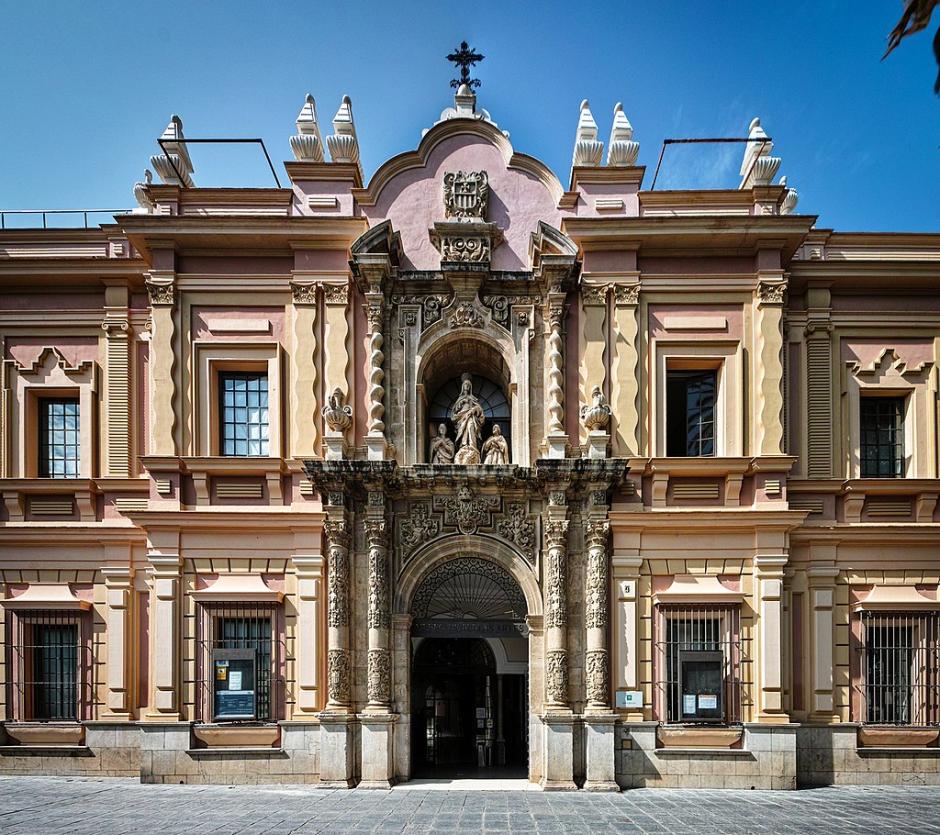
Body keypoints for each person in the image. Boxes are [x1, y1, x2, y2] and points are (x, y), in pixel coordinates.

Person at [451, 375, 484, 463]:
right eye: (465, 384)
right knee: (463, 429)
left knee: (470, 426)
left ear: (470, 387)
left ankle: (472, 445)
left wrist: (474, 409)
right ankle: (464, 444)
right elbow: (454, 411)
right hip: (461, 418)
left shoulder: (473, 399)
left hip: (471, 417)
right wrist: (462, 402)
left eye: (468, 385)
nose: (467, 386)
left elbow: (480, 410)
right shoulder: (460, 399)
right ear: (463, 386)